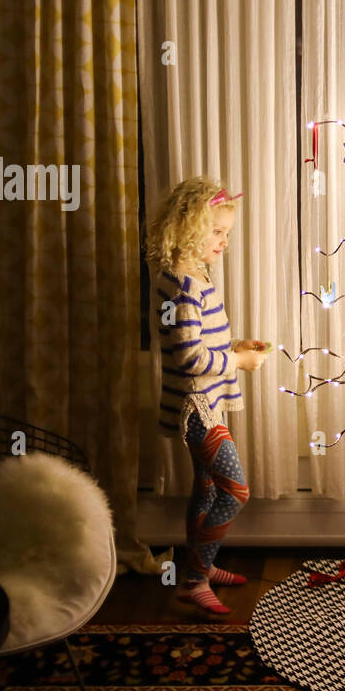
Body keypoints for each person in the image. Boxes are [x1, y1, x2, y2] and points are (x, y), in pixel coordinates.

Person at [144, 176, 269, 616]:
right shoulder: (181, 287)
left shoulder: (193, 277)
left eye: (226, 233)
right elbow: (190, 359)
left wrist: (235, 349)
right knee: (235, 490)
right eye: (217, 232)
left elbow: (200, 346)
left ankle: (199, 564)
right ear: (186, 231)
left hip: (206, 402)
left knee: (206, 485)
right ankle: (194, 578)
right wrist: (236, 363)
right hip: (197, 409)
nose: (224, 241)